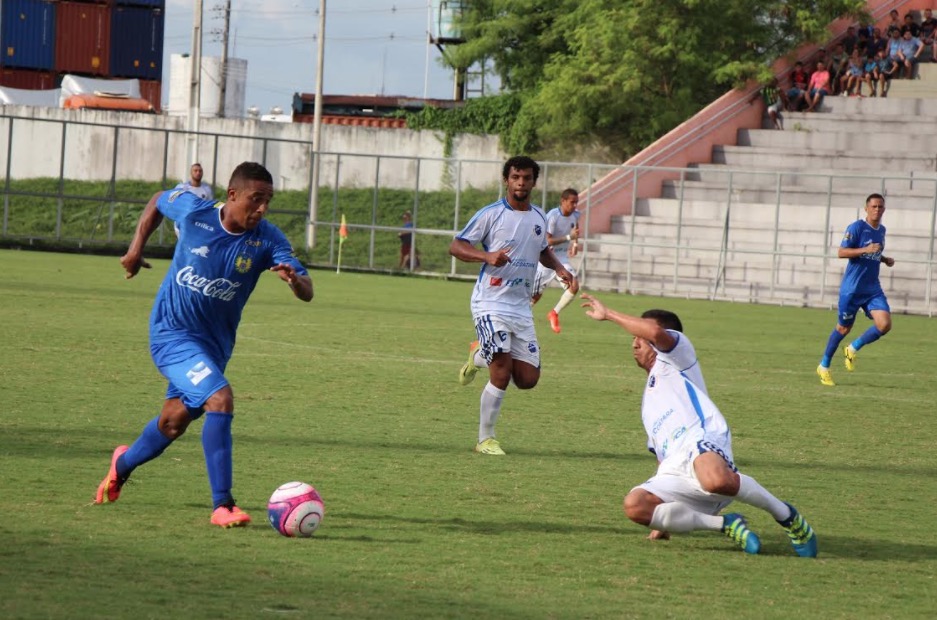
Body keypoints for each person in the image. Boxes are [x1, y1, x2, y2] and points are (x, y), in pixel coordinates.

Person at [93, 162, 314, 527]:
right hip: (171, 335)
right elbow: (157, 200)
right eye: (256, 199)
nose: (262, 209)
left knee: (173, 423)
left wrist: (295, 282)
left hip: (214, 348)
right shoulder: (194, 211)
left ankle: (122, 464)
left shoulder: (268, 239)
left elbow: (308, 290)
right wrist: (134, 250)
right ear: (232, 195)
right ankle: (223, 505)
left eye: (268, 201)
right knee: (220, 399)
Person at [579, 293, 818, 557]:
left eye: (640, 338)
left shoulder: (676, 356)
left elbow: (655, 331)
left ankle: (787, 517)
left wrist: (609, 314)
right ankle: (725, 524)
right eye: (634, 339)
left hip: (701, 441)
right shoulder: (647, 404)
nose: (635, 344)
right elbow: (661, 457)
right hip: (675, 467)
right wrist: (662, 517)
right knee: (635, 505)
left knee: (715, 480)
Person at [451, 156, 576, 455]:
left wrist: (560, 268)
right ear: (506, 180)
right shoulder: (491, 214)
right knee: (502, 371)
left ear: (534, 181)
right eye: (516, 177)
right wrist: (486, 256)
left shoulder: (537, 217)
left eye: (527, 178)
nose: (521, 183)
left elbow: (543, 250)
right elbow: (457, 245)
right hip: (489, 303)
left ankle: (479, 355)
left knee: (528, 379)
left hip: (520, 307)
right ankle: (485, 439)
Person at [817, 193, 894, 387]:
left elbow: (874, 252)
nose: (877, 209)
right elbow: (841, 252)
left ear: (884, 210)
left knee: (884, 324)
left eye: (880, 207)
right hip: (852, 289)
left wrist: (884, 259)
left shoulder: (881, 230)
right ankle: (824, 366)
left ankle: (852, 348)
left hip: (872, 289)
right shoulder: (857, 228)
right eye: (874, 206)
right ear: (866, 208)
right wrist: (865, 250)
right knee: (843, 328)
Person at [531, 188, 582, 332]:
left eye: (576, 203)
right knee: (535, 296)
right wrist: (568, 238)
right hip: (547, 259)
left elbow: (576, 229)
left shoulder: (576, 214)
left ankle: (554, 312)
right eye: (572, 202)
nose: (574, 206)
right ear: (563, 201)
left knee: (574, 285)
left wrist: (575, 244)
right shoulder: (552, 216)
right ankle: (517, 317)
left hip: (562, 259)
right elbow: (547, 241)